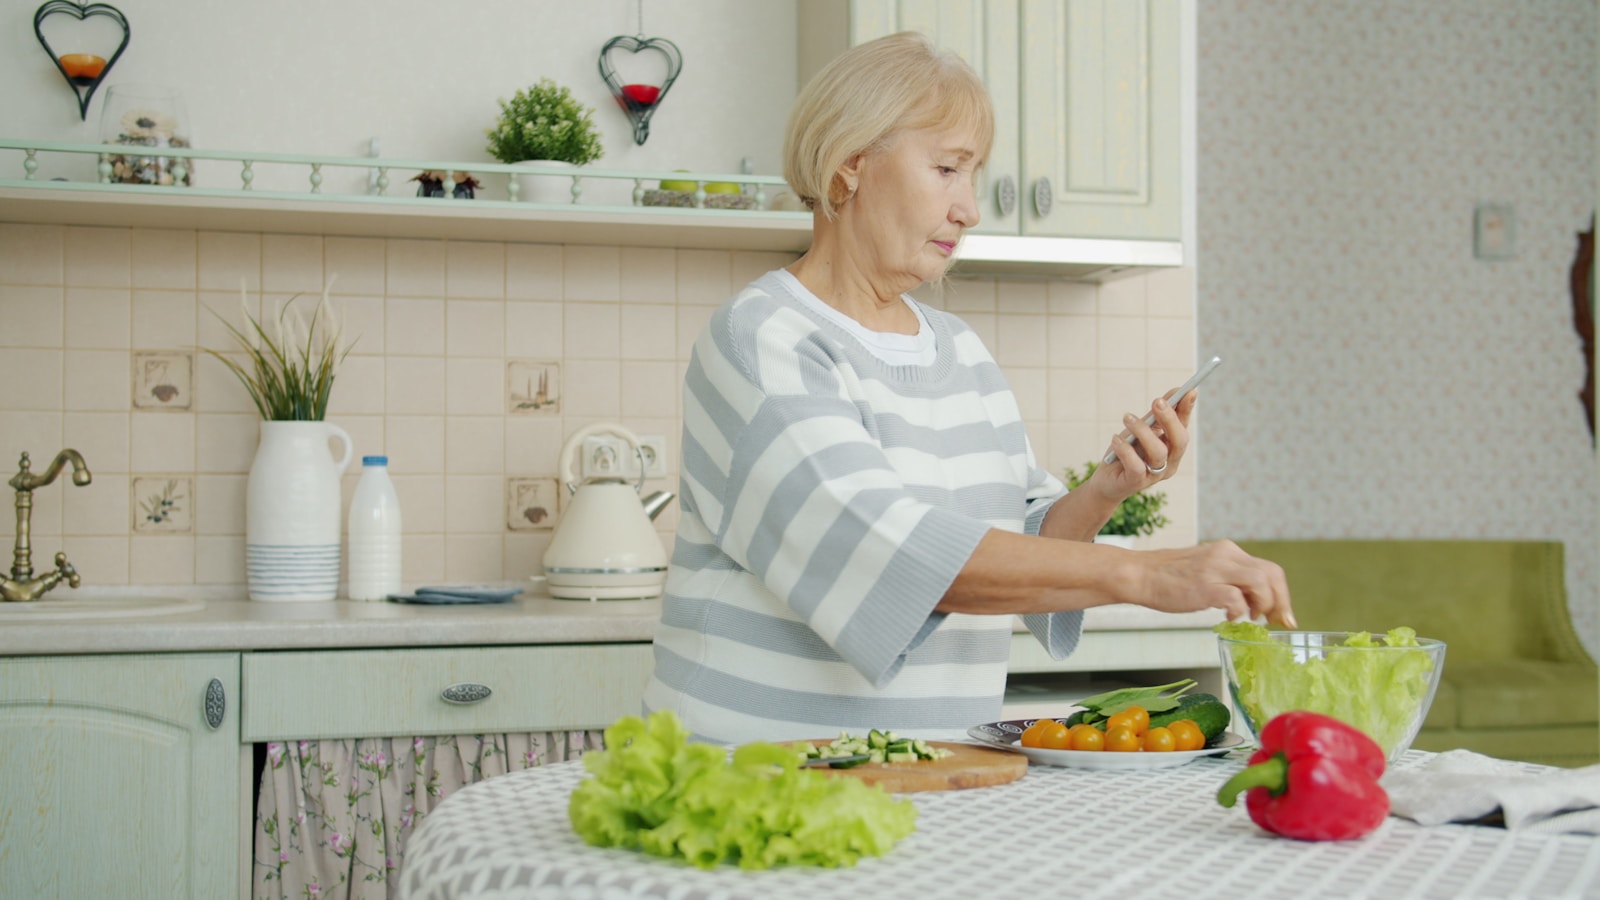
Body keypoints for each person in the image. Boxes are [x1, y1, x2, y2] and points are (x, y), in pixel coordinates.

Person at [642, 31, 1293, 744]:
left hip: (934, 772)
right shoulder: (765, 337)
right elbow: (891, 553)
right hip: (760, 776)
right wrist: (1147, 575)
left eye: (974, 174)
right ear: (851, 165)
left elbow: (1022, 542)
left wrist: (1104, 490)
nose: (971, 208)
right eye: (948, 169)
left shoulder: (959, 349)